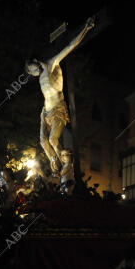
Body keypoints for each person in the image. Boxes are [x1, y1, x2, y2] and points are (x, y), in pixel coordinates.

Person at [25, 16, 95, 176]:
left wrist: (86, 28)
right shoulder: (40, 75)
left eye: (32, 70)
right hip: (46, 112)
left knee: (52, 140)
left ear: (36, 62)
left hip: (58, 109)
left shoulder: (52, 64)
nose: (33, 74)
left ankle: (66, 164)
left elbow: (71, 45)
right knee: (43, 141)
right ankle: (54, 162)